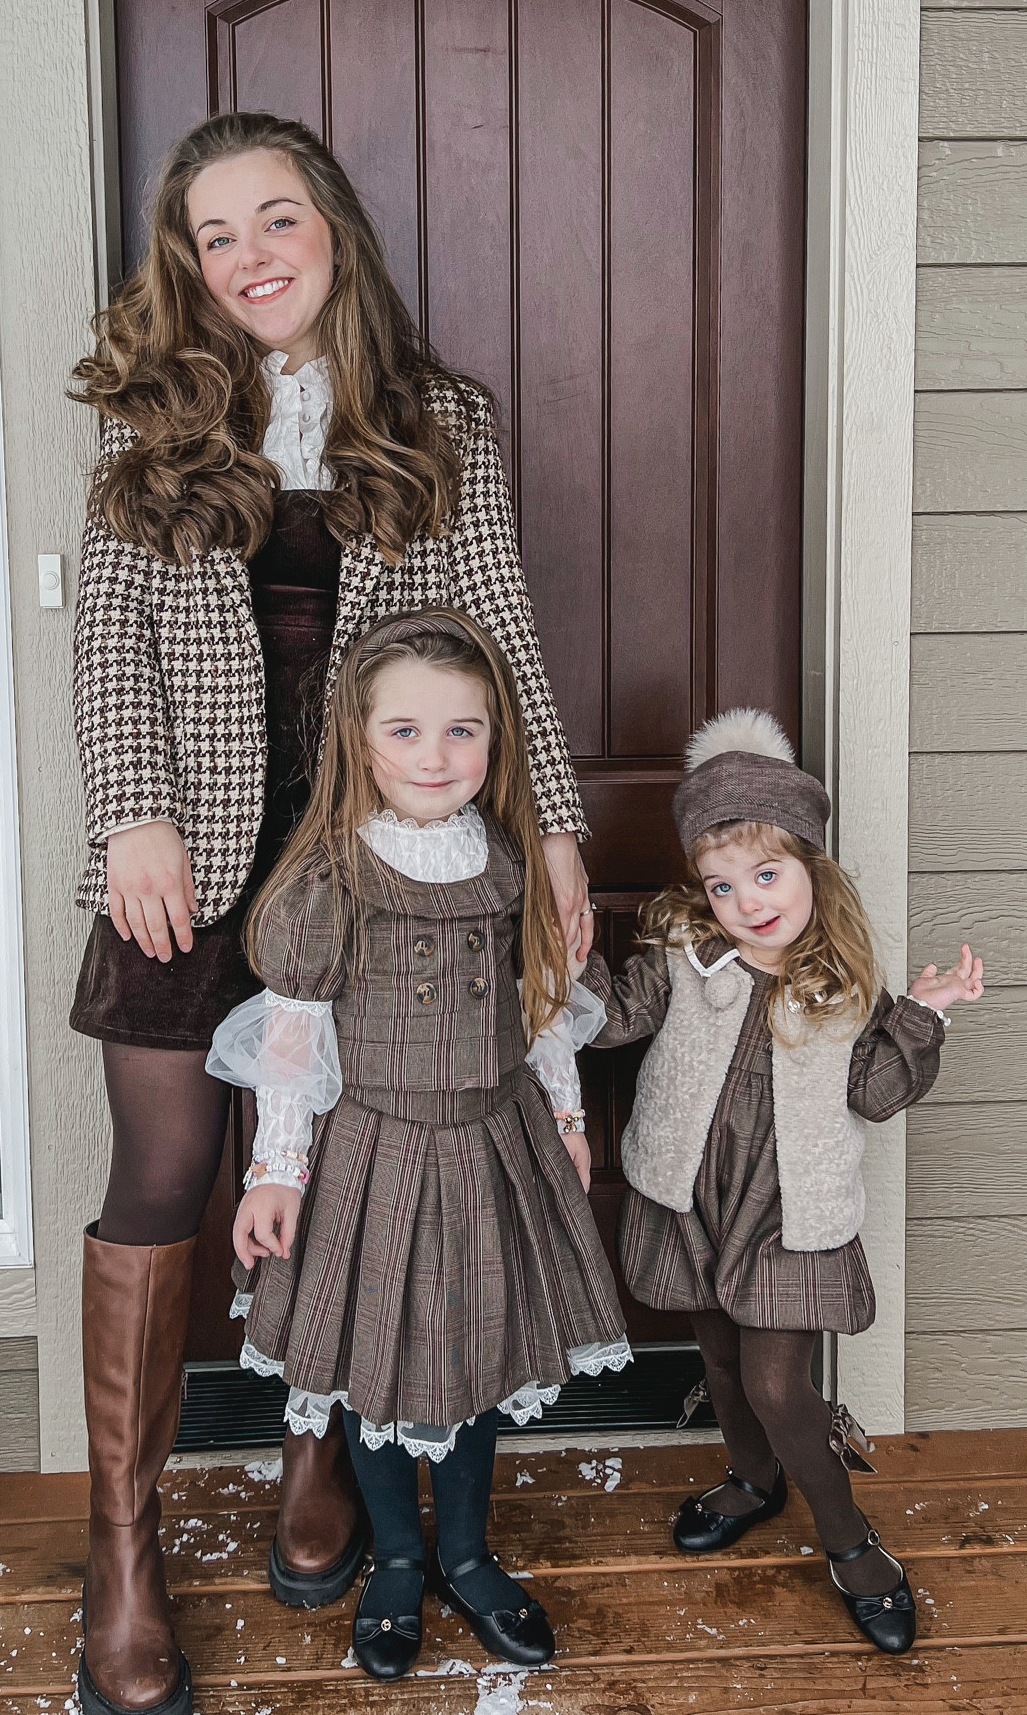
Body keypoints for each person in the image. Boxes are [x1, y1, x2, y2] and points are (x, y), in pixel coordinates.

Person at [68, 114, 592, 1715]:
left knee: (355, 1144)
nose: (250, 258)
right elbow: (109, 641)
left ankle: (320, 1446)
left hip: (381, 857)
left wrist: (556, 828)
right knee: (164, 1170)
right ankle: (126, 1552)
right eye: (215, 239)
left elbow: (494, 627)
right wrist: (131, 814)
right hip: (194, 850)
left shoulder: (440, 424)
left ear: (335, 229)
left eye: (274, 219)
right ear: (190, 270)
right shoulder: (150, 425)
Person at [209, 608, 629, 1681]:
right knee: (379, 1366)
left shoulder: (509, 863)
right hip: (374, 1155)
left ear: (496, 741)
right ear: (358, 738)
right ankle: (398, 1555)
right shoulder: (332, 880)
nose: (435, 756)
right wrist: (276, 1170)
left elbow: (542, 1005)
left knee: (479, 1357)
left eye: (462, 731)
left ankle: (468, 1553)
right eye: (404, 731)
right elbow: (295, 1045)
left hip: (495, 1142)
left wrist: (571, 1122)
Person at [583, 707, 983, 1656]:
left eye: (767, 876)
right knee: (720, 1363)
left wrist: (923, 1015)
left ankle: (849, 1540)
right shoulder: (684, 959)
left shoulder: (843, 983)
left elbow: (877, 1093)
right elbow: (609, 1025)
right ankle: (751, 1482)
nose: (749, 903)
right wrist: (567, 968)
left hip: (788, 1214)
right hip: (692, 1200)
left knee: (776, 1381)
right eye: (723, 886)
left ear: (809, 867)